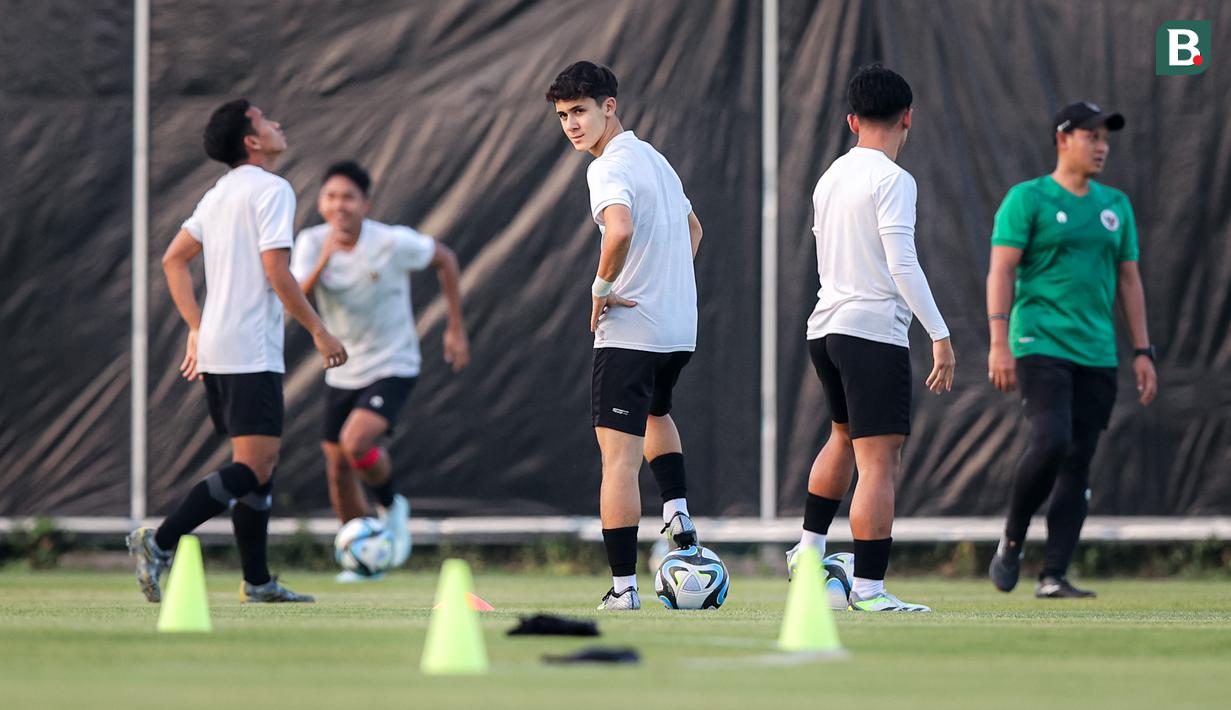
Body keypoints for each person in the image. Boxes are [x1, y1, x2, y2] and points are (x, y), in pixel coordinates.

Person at [127, 98, 348, 603]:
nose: (276, 123)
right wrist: (319, 331)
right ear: (252, 141)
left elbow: (173, 260)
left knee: (258, 467)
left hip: (219, 348)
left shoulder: (219, 193)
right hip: (249, 348)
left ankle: (258, 581)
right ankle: (158, 541)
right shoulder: (272, 188)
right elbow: (276, 272)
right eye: (265, 119)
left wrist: (197, 326)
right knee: (253, 465)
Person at [785, 65, 955, 612]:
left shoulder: (830, 177)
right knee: (879, 460)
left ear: (852, 121)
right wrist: (939, 333)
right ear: (908, 118)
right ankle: (869, 588)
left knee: (842, 437)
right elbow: (901, 262)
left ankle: (809, 551)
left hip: (825, 329)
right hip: (871, 333)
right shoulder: (893, 179)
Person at [546, 61, 705, 611]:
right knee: (657, 413)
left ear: (609, 107)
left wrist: (601, 288)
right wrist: (666, 285)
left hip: (631, 332)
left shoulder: (608, 166)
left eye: (580, 111)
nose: (571, 124)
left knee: (617, 461)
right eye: (563, 115)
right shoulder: (655, 158)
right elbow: (694, 229)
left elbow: (619, 230)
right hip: (678, 330)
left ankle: (623, 589)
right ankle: (677, 511)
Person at [987, 102, 1157, 598]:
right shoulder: (1028, 198)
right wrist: (999, 342)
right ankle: (1012, 540)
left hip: (1097, 352)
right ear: (1063, 140)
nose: (1102, 147)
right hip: (1039, 341)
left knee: (1079, 460)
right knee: (1052, 440)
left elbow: (1129, 280)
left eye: (1105, 139)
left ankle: (1053, 576)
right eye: (1091, 137)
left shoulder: (1115, 205)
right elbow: (1001, 270)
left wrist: (1143, 350)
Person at [291, 160, 470, 580]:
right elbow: (295, 295)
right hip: (342, 370)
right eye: (331, 197)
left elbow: (445, 259)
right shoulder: (310, 242)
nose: (340, 205)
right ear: (321, 203)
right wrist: (324, 258)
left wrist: (455, 327)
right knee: (337, 467)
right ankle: (362, 558)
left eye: (349, 198)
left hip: (393, 362)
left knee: (355, 444)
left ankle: (391, 505)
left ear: (365, 204)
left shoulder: (391, 241)